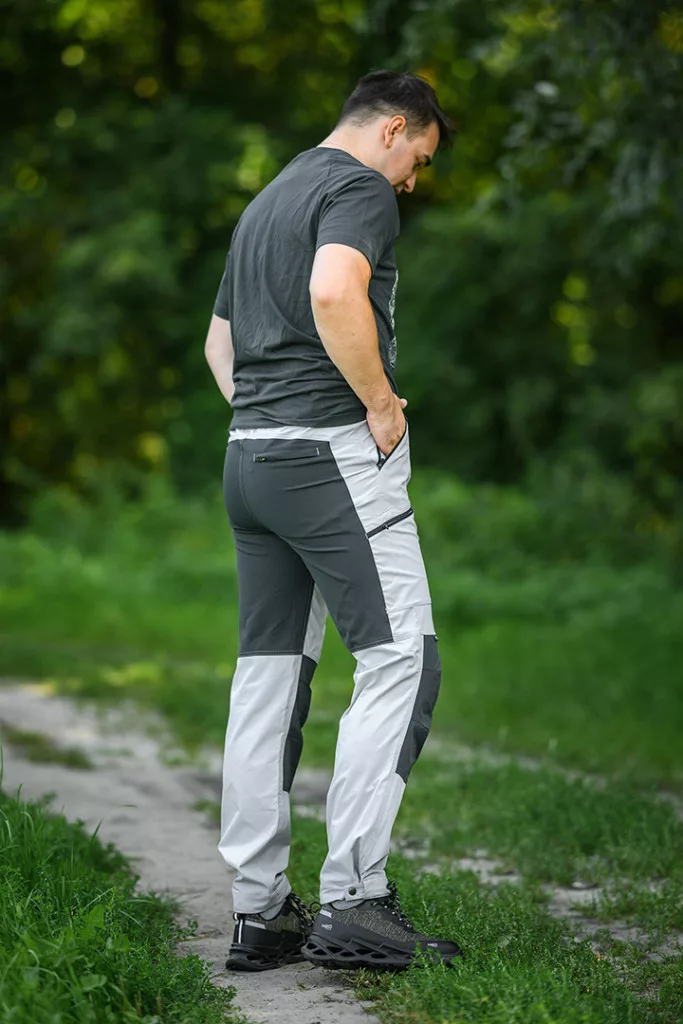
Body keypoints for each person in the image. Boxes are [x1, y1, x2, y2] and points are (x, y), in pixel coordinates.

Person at [205, 69, 463, 972]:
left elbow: (218, 343)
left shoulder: (269, 198)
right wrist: (380, 406)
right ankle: (354, 900)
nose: (411, 183)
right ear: (393, 128)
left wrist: (268, 417)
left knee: (268, 675)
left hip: (251, 457)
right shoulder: (356, 188)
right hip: (330, 456)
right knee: (400, 659)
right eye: (417, 159)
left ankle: (260, 910)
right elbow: (331, 291)